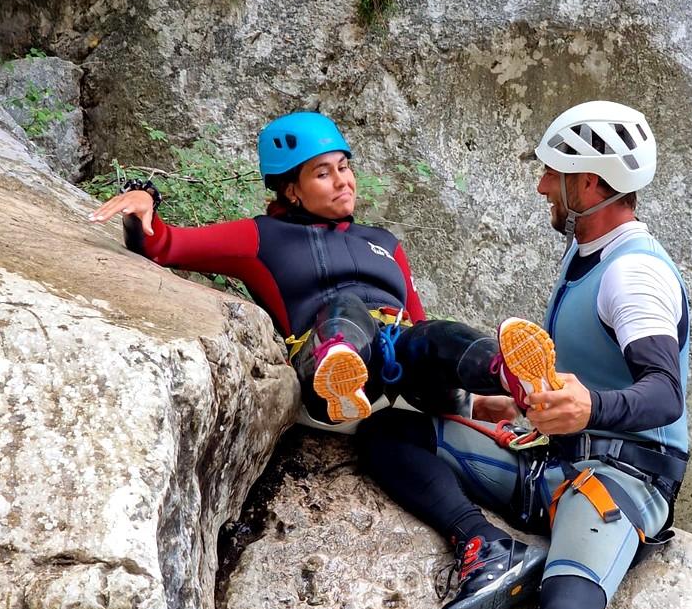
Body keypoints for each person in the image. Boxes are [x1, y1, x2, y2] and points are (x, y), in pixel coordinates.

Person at [357, 101, 690, 609]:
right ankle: (488, 545)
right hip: (552, 460)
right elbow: (585, 387)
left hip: (622, 479)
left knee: (569, 607)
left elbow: (662, 393)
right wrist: (510, 413)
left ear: (589, 181)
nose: (542, 186)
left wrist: (590, 413)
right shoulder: (589, 259)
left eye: (552, 173)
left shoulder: (635, 270)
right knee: (389, 435)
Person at [88, 111, 514, 429]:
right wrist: (141, 200)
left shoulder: (384, 243)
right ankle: (339, 366)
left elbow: (418, 322)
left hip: (403, 374)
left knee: (431, 333)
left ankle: (506, 370)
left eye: (344, 168)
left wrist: (472, 401)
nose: (342, 181)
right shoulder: (262, 238)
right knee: (345, 305)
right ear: (292, 189)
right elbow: (166, 245)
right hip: (325, 376)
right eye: (323, 174)